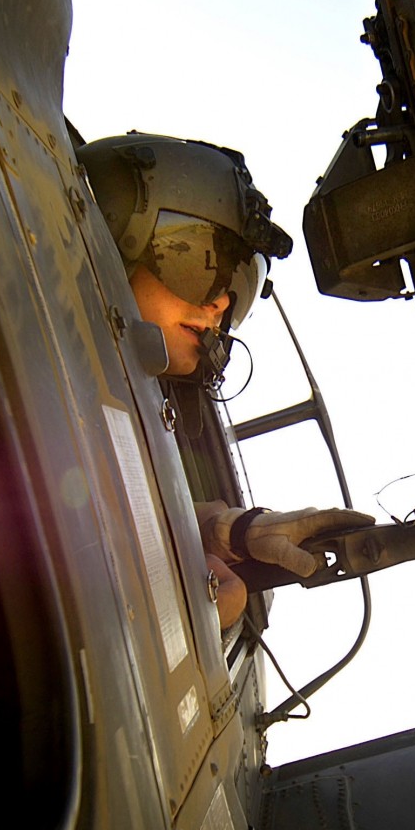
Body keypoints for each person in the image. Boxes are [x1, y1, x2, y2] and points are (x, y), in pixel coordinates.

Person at [77, 132, 371, 629]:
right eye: (194, 262)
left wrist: (227, 531)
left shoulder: (120, 399)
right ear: (110, 241)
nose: (218, 305)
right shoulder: (40, 381)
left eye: (237, 284)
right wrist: (188, 616)